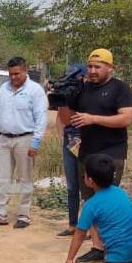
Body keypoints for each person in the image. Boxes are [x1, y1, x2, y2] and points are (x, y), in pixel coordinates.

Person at [60, 48, 132, 263]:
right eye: (90, 66)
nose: (92, 71)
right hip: (86, 153)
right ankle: (98, 247)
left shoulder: (120, 89)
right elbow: (67, 119)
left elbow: (126, 119)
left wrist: (93, 119)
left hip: (112, 152)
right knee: (90, 201)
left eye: (97, 67)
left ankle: (114, 248)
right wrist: (64, 98)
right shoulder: (82, 89)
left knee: (107, 201)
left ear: (110, 68)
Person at [0, 57, 48, 228]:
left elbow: (41, 117)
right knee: (2, 178)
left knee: (24, 177)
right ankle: (1, 214)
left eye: (17, 74)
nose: (13, 77)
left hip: (25, 139)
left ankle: (23, 215)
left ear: (25, 71)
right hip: (4, 139)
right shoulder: (3, 89)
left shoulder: (35, 90)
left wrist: (35, 142)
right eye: (11, 74)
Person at [52, 64, 87, 237]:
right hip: (70, 142)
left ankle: (89, 226)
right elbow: (62, 119)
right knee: (72, 186)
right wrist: (63, 137)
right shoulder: (67, 94)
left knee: (88, 186)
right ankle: (73, 224)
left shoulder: (90, 93)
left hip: (88, 141)